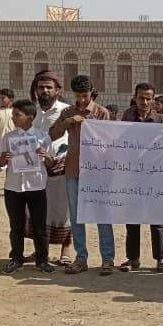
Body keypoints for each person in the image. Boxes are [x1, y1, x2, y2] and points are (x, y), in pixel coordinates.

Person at [49, 75, 116, 275]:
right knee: (76, 215)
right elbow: (53, 134)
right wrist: (67, 122)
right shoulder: (67, 112)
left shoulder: (101, 113)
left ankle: (107, 258)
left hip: (97, 172)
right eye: (78, 96)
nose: (82, 100)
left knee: (102, 214)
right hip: (73, 169)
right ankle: (81, 257)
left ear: (91, 92)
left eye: (85, 96)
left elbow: (109, 140)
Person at [0, 99, 56, 274]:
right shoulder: (8, 137)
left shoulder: (42, 136)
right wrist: (4, 158)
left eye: (17, 115)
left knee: (39, 226)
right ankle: (16, 258)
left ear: (30, 117)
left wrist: (45, 155)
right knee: (16, 226)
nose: (13, 118)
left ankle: (42, 260)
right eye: (13, 115)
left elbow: (51, 162)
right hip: (13, 187)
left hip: (36, 186)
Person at [120, 83, 163, 272]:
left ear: (153, 99)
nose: (145, 101)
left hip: (154, 176)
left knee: (157, 219)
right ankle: (133, 258)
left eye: (149, 98)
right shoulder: (127, 117)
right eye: (141, 97)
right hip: (132, 175)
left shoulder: (161, 120)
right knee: (132, 219)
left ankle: (161, 259)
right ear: (135, 97)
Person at [28, 71, 73, 265]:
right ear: (36, 90)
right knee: (37, 210)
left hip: (60, 167)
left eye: (49, 87)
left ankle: (66, 250)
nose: (45, 91)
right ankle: (40, 250)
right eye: (41, 87)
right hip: (35, 168)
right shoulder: (32, 111)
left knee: (63, 209)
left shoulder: (66, 110)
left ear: (57, 90)